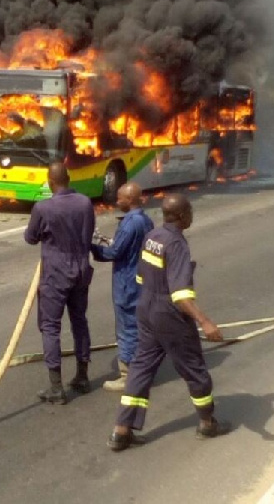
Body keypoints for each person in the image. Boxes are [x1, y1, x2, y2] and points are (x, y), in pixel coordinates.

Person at [107, 193, 231, 450]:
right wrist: (205, 322)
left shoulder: (152, 237)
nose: (192, 216)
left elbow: (141, 277)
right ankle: (207, 423)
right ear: (183, 216)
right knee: (194, 368)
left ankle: (121, 431)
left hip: (146, 308)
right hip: (169, 315)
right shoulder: (176, 245)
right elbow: (181, 295)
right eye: (191, 212)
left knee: (140, 370)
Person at [24, 161, 96, 404]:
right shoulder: (85, 203)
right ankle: (83, 376)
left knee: (50, 326)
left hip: (56, 274)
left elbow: (30, 238)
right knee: (79, 321)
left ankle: (56, 386)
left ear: (50, 181)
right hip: (81, 270)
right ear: (69, 178)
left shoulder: (44, 208)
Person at [91, 182, 154, 391]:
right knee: (138, 328)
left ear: (130, 200)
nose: (117, 201)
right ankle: (141, 372)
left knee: (127, 329)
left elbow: (115, 252)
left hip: (127, 285)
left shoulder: (130, 224)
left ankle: (128, 377)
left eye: (120, 198)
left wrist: (93, 248)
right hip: (141, 282)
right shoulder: (146, 221)